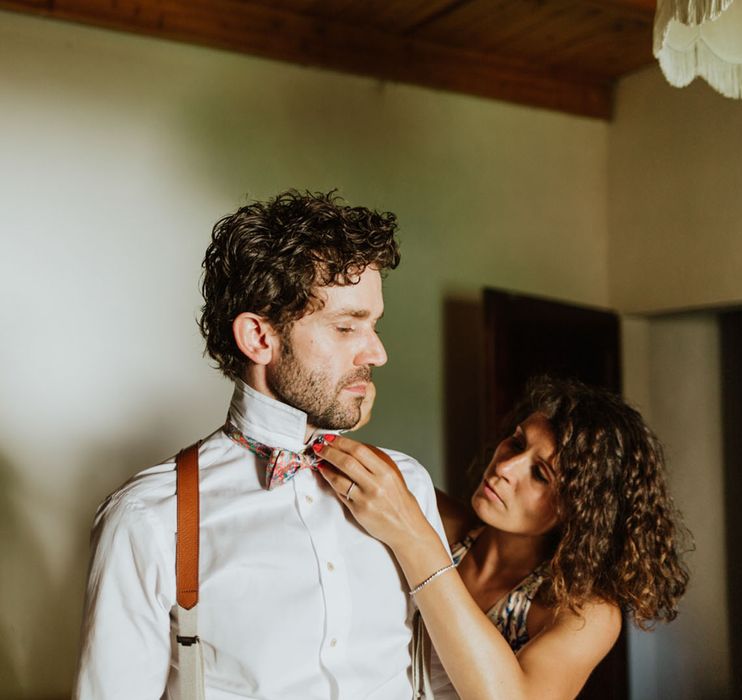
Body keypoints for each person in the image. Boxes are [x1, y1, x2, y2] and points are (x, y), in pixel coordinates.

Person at [73, 190, 448, 699]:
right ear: (259, 338)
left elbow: (442, 686)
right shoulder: (149, 519)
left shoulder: (407, 485)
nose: (377, 353)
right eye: (345, 327)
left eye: (373, 325)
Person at [317, 376, 690, 700]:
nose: (505, 468)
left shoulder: (581, 610)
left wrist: (416, 542)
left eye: (540, 474)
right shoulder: (444, 525)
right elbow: (351, 481)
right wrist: (342, 417)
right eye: (515, 443)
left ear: (580, 511)